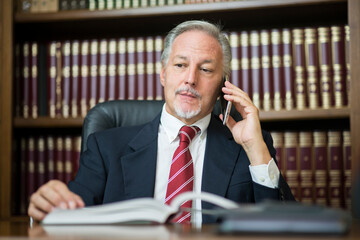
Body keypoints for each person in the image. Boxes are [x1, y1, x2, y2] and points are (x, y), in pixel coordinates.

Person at [28, 20, 295, 223]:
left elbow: (284, 227)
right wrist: (50, 208)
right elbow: (70, 217)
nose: (190, 79)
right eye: (180, 65)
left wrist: (255, 149)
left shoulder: (249, 147)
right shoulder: (106, 147)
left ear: (222, 86)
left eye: (205, 69)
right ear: (163, 75)